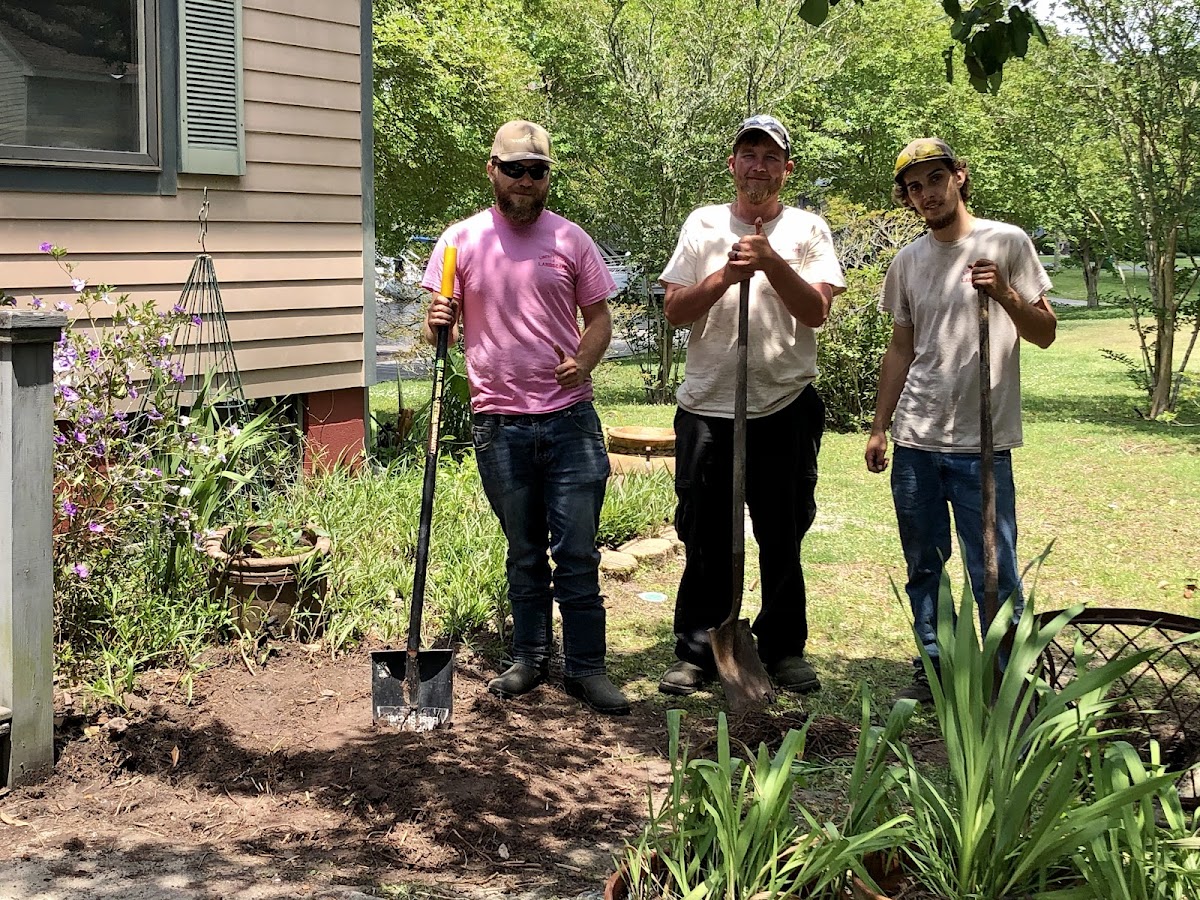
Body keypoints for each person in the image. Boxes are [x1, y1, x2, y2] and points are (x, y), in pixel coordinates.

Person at [421, 120, 629, 715]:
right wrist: (437, 321)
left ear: (546, 177)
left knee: (579, 552)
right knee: (524, 549)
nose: (525, 181)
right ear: (492, 169)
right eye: (514, 169)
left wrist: (584, 360)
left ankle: (588, 669)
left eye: (536, 171)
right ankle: (529, 659)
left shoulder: (571, 240)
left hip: (569, 420)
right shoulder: (460, 241)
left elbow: (600, 321)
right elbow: (437, 327)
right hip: (499, 423)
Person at [657, 114, 845, 697]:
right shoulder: (704, 224)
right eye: (748, 155)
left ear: (786, 169)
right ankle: (697, 649)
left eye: (770, 157)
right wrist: (725, 274)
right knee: (705, 534)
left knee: (782, 532)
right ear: (732, 165)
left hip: (783, 405)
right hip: (709, 406)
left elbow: (815, 312)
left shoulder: (808, 229)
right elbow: (675, 310)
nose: (757, 165)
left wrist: (770, 261)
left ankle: (784, 648)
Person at [865, 137, 1057, 703]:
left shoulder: (1007, 243)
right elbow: (901, 349)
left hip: (983, 443)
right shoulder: (908, 262)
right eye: (914, 186)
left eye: (935, 179)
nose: (926, 193)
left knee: (994, 569)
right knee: (924, 564)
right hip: (916, 442)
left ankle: (1009, 678)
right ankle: (938, 668)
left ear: (960, 176)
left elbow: (1044, 333)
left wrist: (1003, 293)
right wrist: (880, 425)